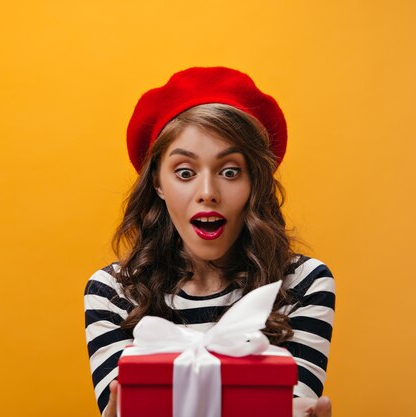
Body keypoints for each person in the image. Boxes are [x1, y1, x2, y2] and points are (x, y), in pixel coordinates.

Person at [84, 67, 335, 417]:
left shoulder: (305, 282)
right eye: (185, 172)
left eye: (230, 171)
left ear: (254, 183)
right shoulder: (112, 291)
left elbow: (289, 407)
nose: (207, 193)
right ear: (157, 183)